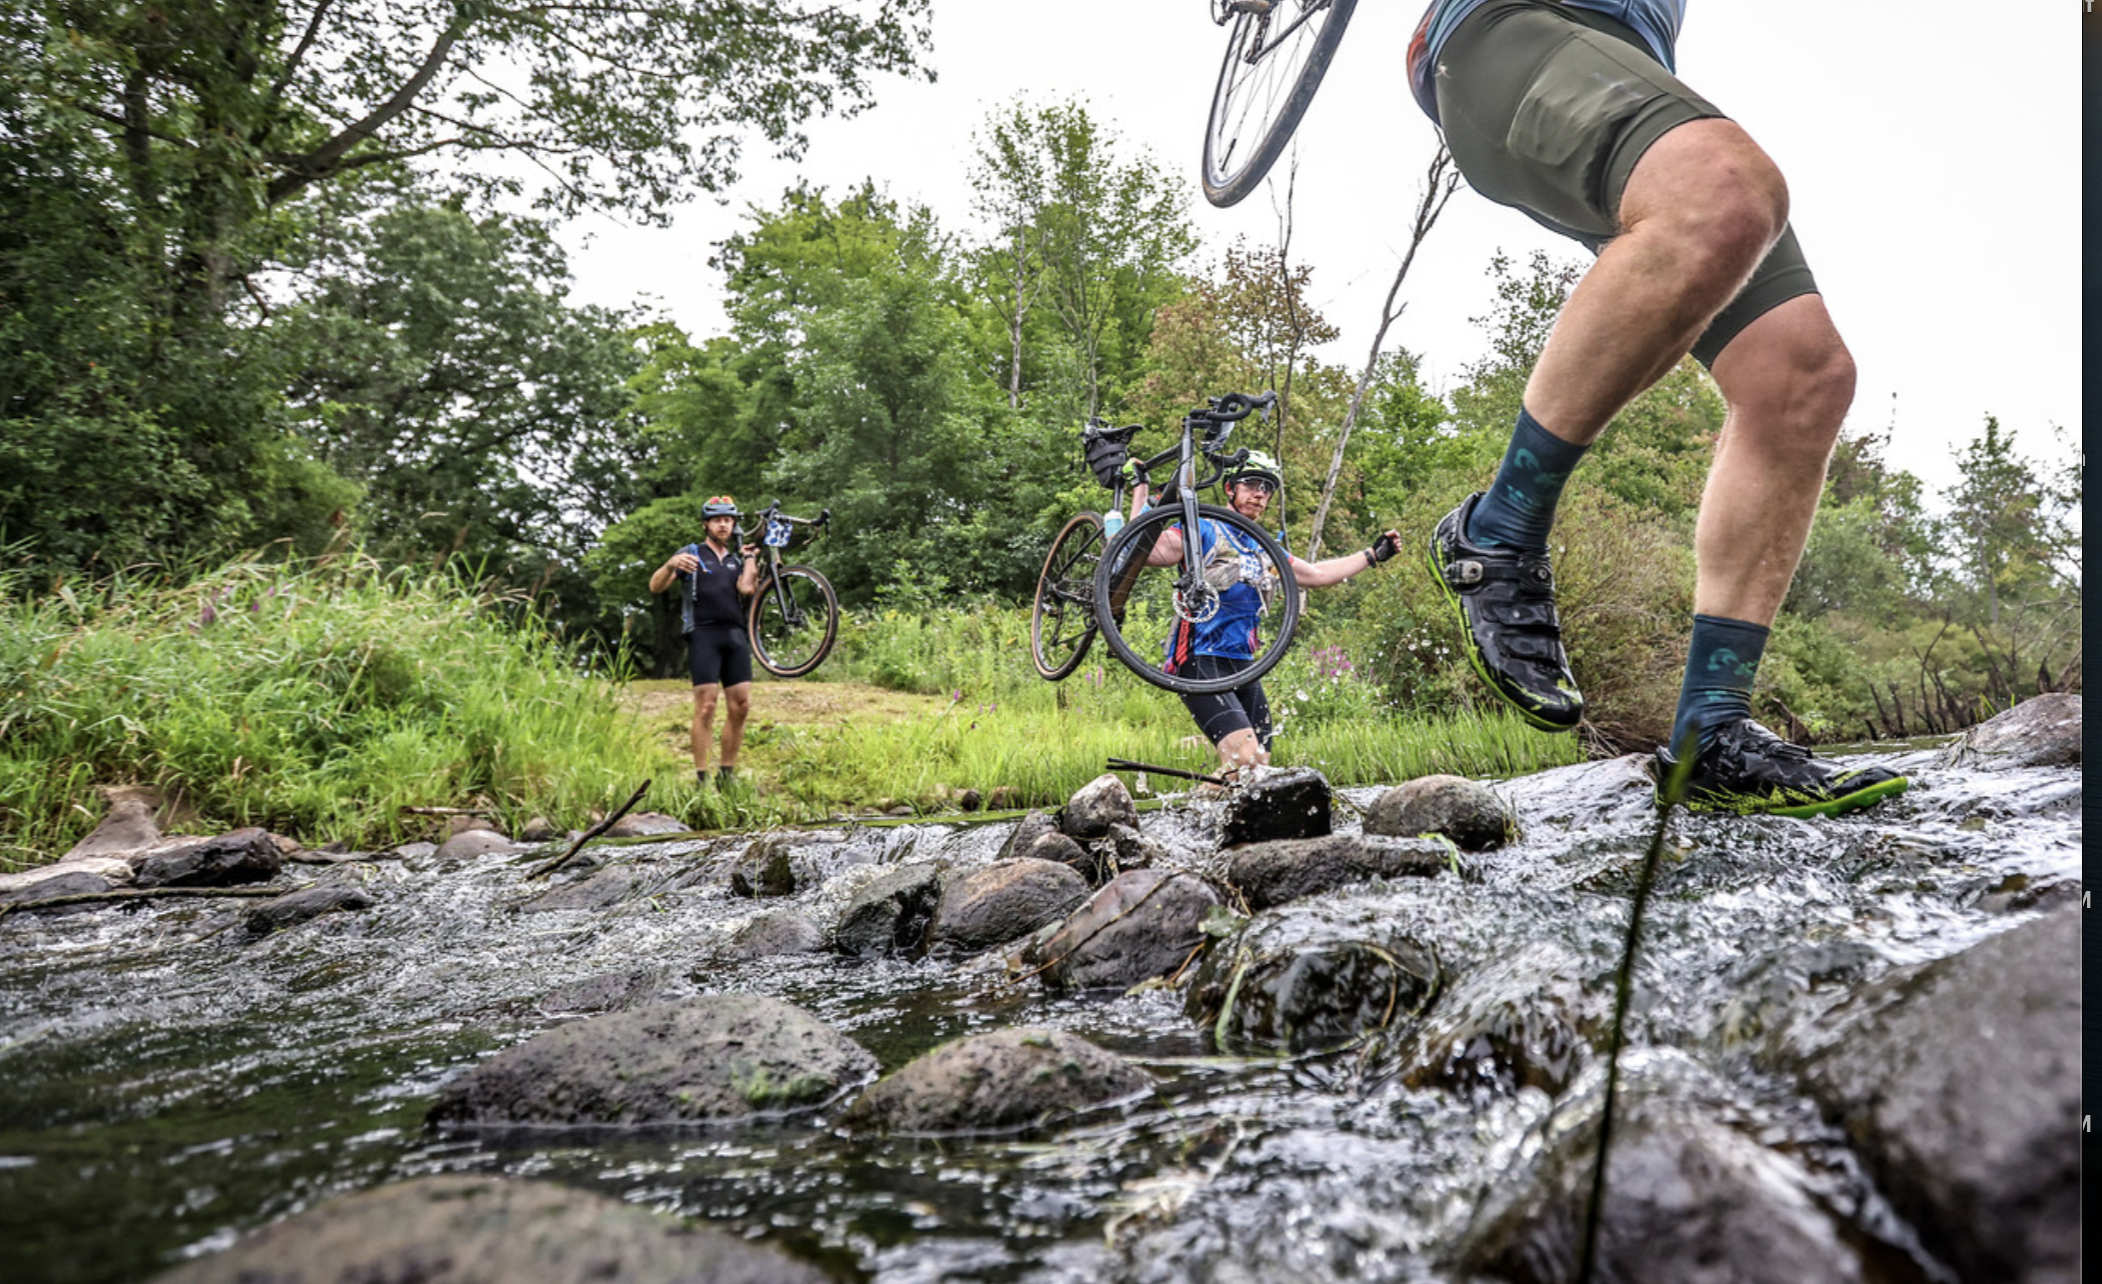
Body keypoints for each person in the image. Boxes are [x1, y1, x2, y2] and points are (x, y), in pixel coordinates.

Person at [1405, 0, 1906, 816]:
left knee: (1802, 375)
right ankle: (1495, 534)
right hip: (1507, 35)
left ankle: (1710, 730)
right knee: (1725, 191)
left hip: (1620, 65)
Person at [1134, 450, 1401, 780]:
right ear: (1230, 488)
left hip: (1244, 664)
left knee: (1256, 767)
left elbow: (1316, 574)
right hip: (1199, 659)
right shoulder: (1203, 529)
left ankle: (1195, 815)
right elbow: (1139, 550)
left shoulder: (1263, 547)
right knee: (1246, 760)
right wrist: (1140, 493)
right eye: (1251, 484)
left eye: (1267, 488)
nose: (1259, 493)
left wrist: (1371, 555)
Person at [648, 495, 760, 787]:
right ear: (706, 524)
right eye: (717, 520)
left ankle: (727, 773)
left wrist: (750, 559)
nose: (723, 525)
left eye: (728, 520)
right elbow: (655, 586)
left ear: (733, 524)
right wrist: (671, 564)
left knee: (741, 705)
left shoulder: (737, 559)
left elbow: (747, 589)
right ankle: (701, 776)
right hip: (703, 633)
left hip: (735, 634)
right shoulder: (691, 553)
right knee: (707, 706)